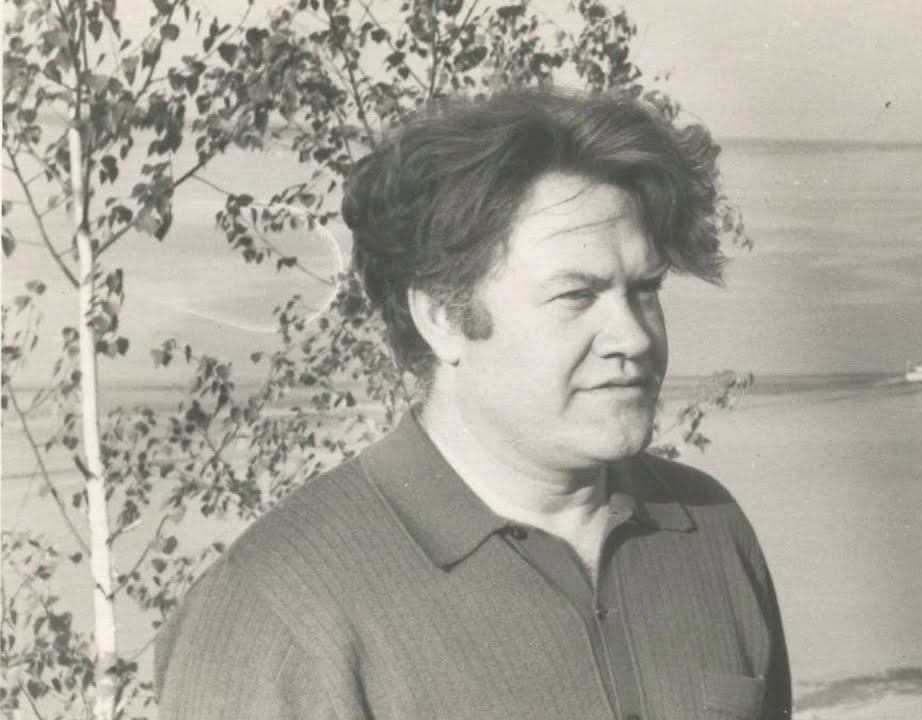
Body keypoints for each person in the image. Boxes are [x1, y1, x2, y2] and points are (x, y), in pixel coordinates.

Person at [155, 89, 791, 720]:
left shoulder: (710, 531)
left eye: (645, 290)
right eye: (576, 295)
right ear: (443, 317)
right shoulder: (277, 609)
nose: (633, 337)